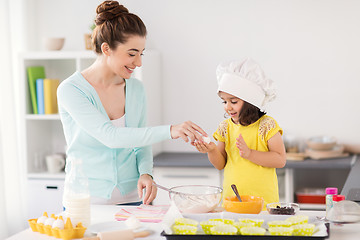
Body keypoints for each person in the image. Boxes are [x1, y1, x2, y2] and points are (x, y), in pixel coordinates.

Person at [57, 0, 207, 206]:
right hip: (85, 201)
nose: (138, 62)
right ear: (106, 48)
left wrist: (146, 173)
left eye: (141, 53)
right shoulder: (71, 90)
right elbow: (110, 136)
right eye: (131, 53)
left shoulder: (135, 89)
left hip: (133, 199)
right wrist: (171, 130)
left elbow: (140, 141)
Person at [194, 58, 286, 206]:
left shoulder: (267, 125)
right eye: (224, 101)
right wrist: (211, 150)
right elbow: (220, 164)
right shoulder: (225, 127)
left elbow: (280, 160)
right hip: (232, 202)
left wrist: (250, 154)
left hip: (263, 203)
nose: (227, 107)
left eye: (234, 102)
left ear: (250, 101)